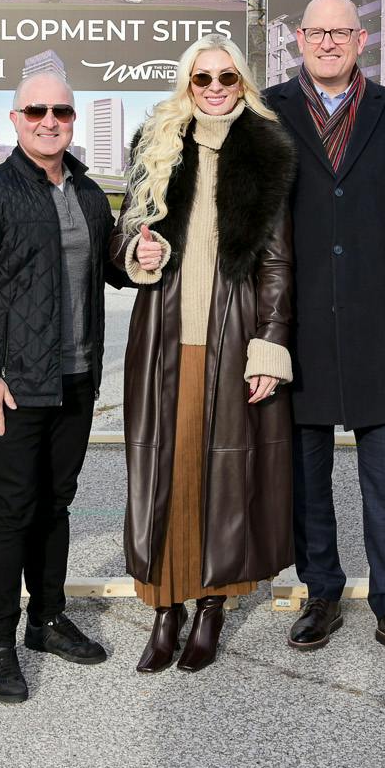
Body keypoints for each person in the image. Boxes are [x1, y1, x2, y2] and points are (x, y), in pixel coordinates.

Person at [264, 0, 385, 667]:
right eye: (318, 31)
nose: (329, 42)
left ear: (362, 39)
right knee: (305, 474)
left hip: (377, 320)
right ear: (301, 38)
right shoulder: (270, 111)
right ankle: (323, 593)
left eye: (342, 32)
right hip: (300, 322)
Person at [116, 34, 297, 674]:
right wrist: (136, 255)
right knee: (166, 474)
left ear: (243, 84)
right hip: (164, 337)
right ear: (186, 85)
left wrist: (268, 347)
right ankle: (165, 608)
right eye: (202, 79)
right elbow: (122, 241)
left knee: (224, 480)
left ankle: (212, 606)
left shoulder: (266, 152)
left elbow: (277, 264)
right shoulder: (157, 143)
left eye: (226, 78)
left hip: (232, 335)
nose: (215, 89)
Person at [0, 72, 115, 703]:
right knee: (10, 512)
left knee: (56, 504)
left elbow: (111, 265)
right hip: (13, 385)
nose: (50, 121)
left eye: (61, 112)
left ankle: (46, 618)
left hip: (76, 378)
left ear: (72, 120)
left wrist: (140, 257)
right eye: (36, 111)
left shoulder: (90, 192)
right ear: (14, 119)